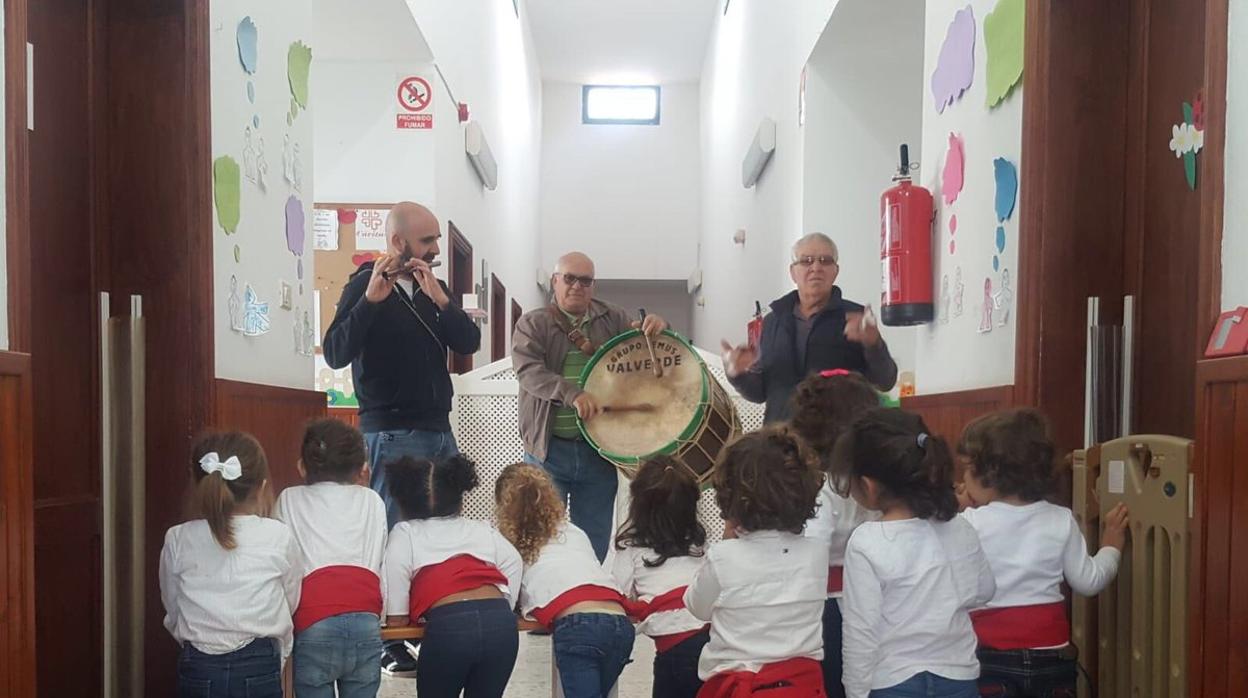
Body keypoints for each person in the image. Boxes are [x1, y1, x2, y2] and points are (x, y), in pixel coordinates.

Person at [322, 201, 480, 674]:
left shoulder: (436, 286)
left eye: (436, 240)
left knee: (441, 531)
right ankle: (389, 638)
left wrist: (441, 300)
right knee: (395, 534)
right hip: (390, 431)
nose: (435, 250)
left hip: (438, 427)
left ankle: (431, 620)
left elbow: (467, 342)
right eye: (428, 241)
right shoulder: (362, 283)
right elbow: (335, 352)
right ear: (398, 242)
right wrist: (370, 301)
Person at [957, 409, 1129, 697]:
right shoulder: (1061, 519)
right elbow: (1089, 581)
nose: (961, 477)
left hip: (991, 653)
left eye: (966, 467)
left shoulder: (968, 524)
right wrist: (1112, 544)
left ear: (989, 473)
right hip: (1053, 656)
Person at [512, 251, 667, 561]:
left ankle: (585, 595)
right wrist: (573, 394)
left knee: (593, 539)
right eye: (569, 278)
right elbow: (528, 371)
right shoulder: (534, 323)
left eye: (585, 280)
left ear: (593, 285)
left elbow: (643, 353)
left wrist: (659, 326)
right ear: (554, 281)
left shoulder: (614, 319)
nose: (577, 286)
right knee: (541, 538)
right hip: (548, 450)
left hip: (599, 450)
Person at [832, 409, 996, 698]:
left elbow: (861, 633)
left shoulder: (867, 541)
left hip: (892, 682)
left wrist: (855, 694)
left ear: (868, 485)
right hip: (958, 677)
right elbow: (985, 591)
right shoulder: (961, 527)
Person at [684, 428, 829, 697]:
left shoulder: (724, 556)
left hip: (740, 687)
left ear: (730, 496)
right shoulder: (817, 554)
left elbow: (697, 607)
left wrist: (728, 541)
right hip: (802, 688)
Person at [159, 432, 301, 698]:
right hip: (258, 661)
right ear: (261, 487)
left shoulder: (177, 537)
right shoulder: (278, 535)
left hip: (199, 664)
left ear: (198, 485)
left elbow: (173, 603)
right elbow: (290, 598)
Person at [382, 455, 523, 698]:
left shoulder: (406, 532)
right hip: (500, 624)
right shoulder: (480, 528)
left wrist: (398, 617)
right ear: (459, 498)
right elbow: (514, 561)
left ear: (404, 502)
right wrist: (505, 605)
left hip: (450, 626)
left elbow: (395, 580)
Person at [720, 233, 898, 424]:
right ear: (793, 272)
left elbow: (885, 380)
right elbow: (762, 392)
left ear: (835, 271)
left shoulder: (856, 317)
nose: (816, 268)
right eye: (806, 261)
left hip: (839, 443)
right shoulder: (773, 321)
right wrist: (737, 374)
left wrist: (874, 344)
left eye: (825, 261)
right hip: (782, 443)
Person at [494, 462, 636, 697]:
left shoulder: (510, 542)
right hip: (619, 622)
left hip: (577, 626)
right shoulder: (573, 531)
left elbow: (507, 597)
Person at [274, 419, 387, 698]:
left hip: (314, 623)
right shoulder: (372, 500)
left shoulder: (289, 499)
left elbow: (282, 561)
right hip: (366, 619)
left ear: (302, 466)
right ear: (362, 468)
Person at [789, 370, 884, 697]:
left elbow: (812, 556)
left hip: (828, 604)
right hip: (877, 596)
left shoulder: (821, 488)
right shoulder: (875, 479)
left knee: (834, 678)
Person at [611, 456, 710, 698]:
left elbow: (617, 596)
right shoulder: (698, 543)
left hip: (674, 650)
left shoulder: (631, 546)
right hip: (711, 640)